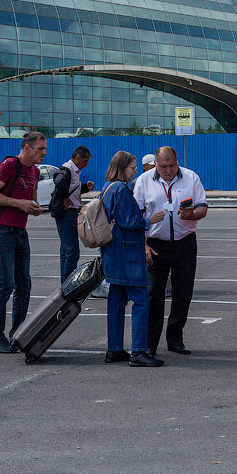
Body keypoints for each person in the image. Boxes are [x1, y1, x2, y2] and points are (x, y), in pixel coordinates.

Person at [133, 146, 208, 356]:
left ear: (177, 162)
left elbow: (203, 207)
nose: (168, 170)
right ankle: (150, 344)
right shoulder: (144, 181)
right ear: (155, 164)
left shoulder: (191, 177)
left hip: (185, 243)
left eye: (172, 165)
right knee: (153, 295)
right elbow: (137, 217)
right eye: (164, 166)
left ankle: (175, 339)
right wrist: (144, 245)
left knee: (183, 293)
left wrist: (192, 215)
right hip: (155, 245)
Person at [99, 151, 165, 367]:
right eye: (132, 167)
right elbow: (129, 221)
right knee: (141, 299)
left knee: (116, 301)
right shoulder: (121, 189)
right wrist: (149, 221)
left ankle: (114, 348)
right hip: (127, 253)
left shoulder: (106, 187)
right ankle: (138, 351)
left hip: (111, 252)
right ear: (122, 168)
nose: (135, 170)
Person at [0, 131, 46, 353]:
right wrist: (20, 204)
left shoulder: (35, 171)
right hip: (3, 230)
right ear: (26, 147)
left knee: (24, 285)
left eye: (45, 149)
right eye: (40, 149)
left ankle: (18, 333)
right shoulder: (10, 165)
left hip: (20, 232)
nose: (44, 153)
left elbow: (32, 200)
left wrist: (35, 208)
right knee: (5, 284)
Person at [51, 145, 94, 282]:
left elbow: (72, 189)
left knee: (66, 251)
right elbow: (59, 181)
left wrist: (85, 187)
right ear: (77, 157)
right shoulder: (67, 169)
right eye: (85, 160)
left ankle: (65, 284)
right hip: (67, 213)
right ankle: (68, 285)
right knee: (72, 252)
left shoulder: (75, 171)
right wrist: (65, 198)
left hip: (70, 212)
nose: (85, 164)